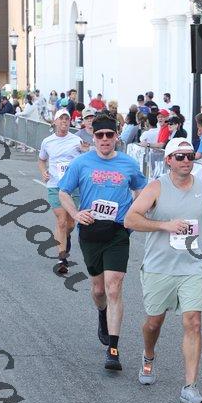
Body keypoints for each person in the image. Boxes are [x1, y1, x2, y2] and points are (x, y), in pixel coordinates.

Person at [124, 138, 202, 403]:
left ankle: (190, 387)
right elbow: (130, 219)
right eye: (180, 156)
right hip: (159, 267)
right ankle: (149, 355)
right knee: (154, 323)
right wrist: (165, 225)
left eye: (190, 156)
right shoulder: (156, 187)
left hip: (192, 267)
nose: (186, 161)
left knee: (193, 322)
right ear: (168, 160)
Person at [58, 113, 147, 371]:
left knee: (114, 286)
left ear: (116, 136)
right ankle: (102, 313)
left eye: (109, 134)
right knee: (99, 290)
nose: (105, 139)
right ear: (93, 137)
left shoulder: (129, 164)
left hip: (118, 232)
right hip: (91, 230)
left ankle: (113, 350)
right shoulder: (81, 163)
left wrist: (136, 211)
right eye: (100, 135)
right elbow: (63, 191)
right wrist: (76, 214)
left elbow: (141, 189)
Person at [38, 108, 87, 274]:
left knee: (71, 223)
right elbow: (41, 160)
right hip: (55, 185)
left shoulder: (76, 140)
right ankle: (62, 258)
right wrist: (43, 172)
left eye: (67, 119)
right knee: (61, 221)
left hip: (73, 186)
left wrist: (86, 151)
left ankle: (65, 237)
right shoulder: (47, 142)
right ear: (55, 122)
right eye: (61, 118)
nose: (64, 121)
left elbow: (85, 159)